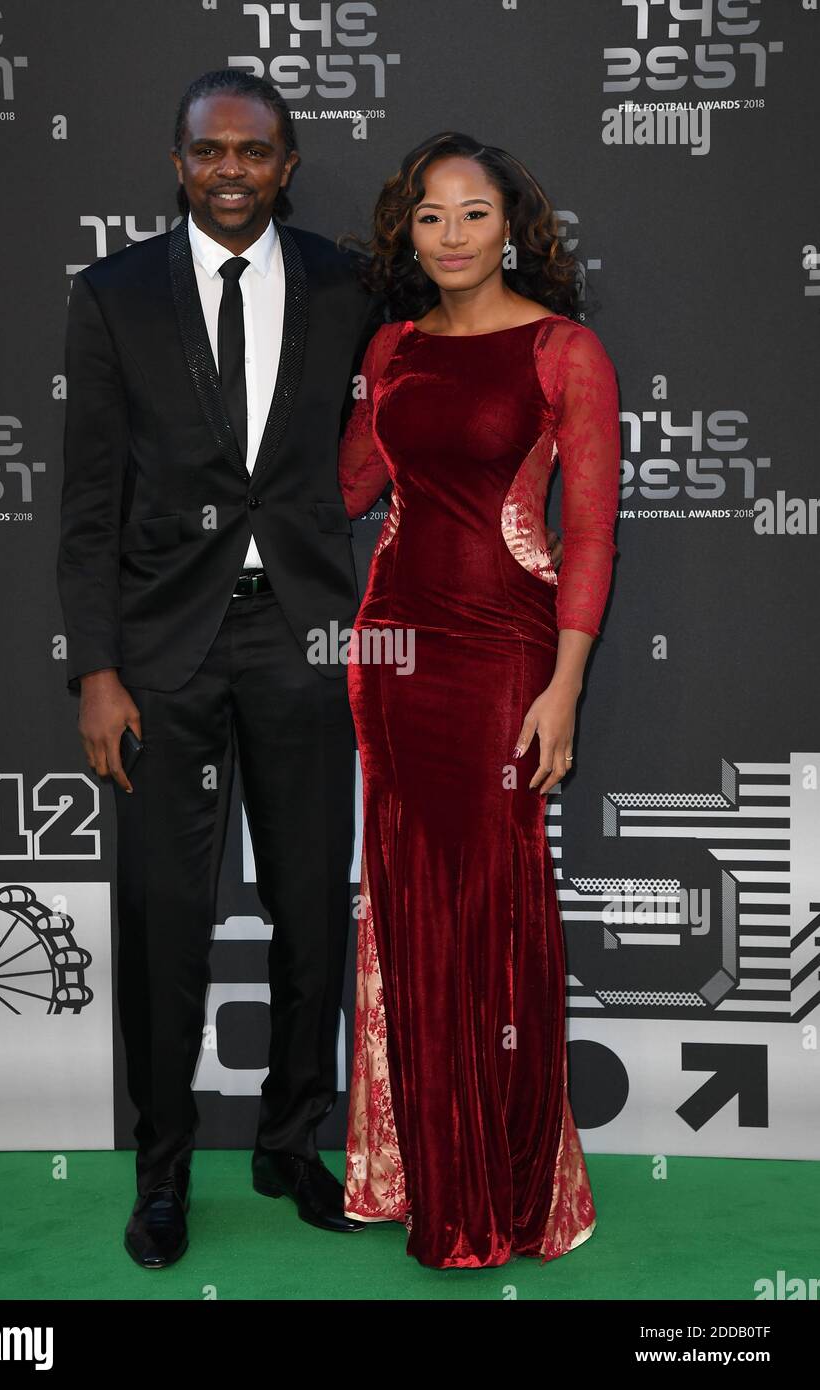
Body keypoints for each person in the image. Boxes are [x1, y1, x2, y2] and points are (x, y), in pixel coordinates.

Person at [56, 69, 382, 1268]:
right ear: (178, 162)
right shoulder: (115, 293)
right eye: (209, 152)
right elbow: (88, 501)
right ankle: (161, 1173)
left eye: (255, 151)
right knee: (165, 920)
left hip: (304, 637)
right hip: (162, 652)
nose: (231, 170)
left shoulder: (350, 285)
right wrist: (96, 667)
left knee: (309, 905)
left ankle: (293, 1145)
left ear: (288, 165)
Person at [337, 132, 621, 1268]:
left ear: (513, 227)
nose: (450, 236)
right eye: (428, 217)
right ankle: (424, 1175)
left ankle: (504, 1190)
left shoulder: (565, 351)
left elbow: (591, 531)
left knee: (492, 909)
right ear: (405, 233)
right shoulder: (393, 345)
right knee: (408, 902)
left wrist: (567, 684)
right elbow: (354, 483)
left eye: (473, 214)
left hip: (504, 654)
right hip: (391, 655)